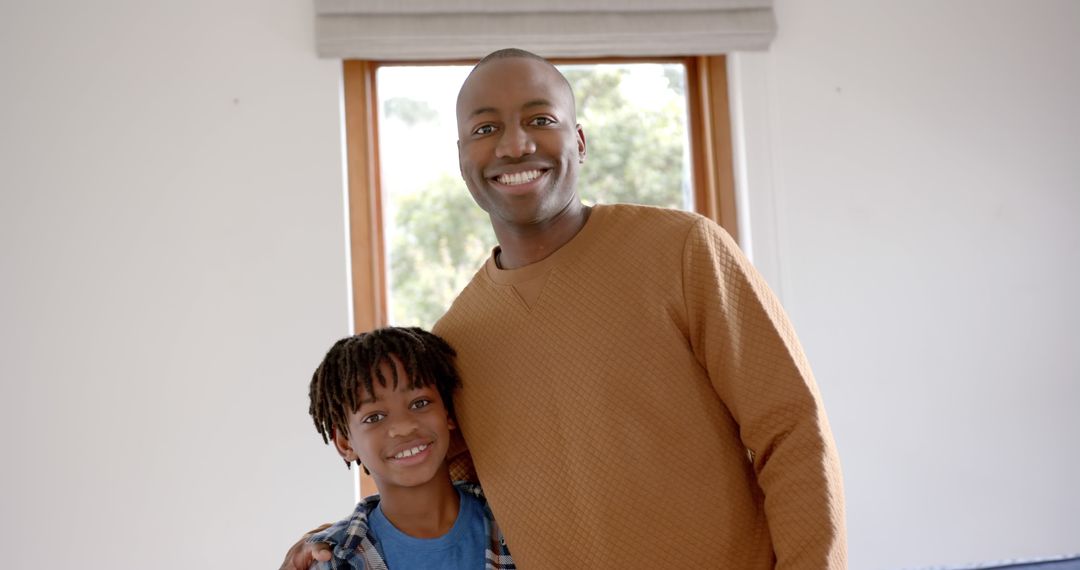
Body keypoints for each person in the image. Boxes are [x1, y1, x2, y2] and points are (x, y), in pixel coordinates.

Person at [285, 48, 846, 569]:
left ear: (579, 140)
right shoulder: (457, 338)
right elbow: (443, 494)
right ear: (462, 160)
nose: (515, 145)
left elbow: (791, 431)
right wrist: (342, 540)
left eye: (540, 120)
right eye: (486, 129)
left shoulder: (683, 250)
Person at [294, 327, 514, 569]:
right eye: (374, 417)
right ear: (345, 443)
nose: (403, 427)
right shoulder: (332, 560)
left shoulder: (513, 521)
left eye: (420, 403)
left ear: (448, 412)